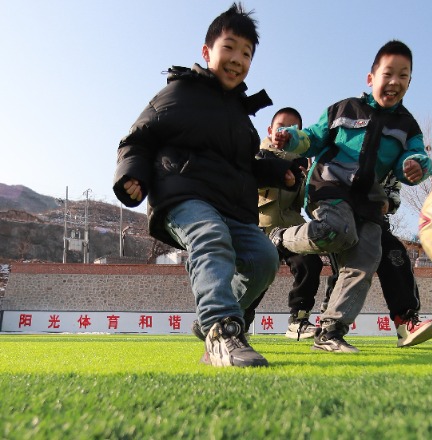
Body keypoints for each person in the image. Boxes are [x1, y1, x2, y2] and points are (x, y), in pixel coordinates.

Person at [112, 3, 300, 368]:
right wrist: (133, 175)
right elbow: (137, 140)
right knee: (210, 235)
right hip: (184, 196)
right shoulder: (179, 93)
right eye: (229, 47)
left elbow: (245, 165)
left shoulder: (241, 115)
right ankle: (221, 329)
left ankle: (213, 320)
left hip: (232, 207)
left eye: (246, 53)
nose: (237, 59)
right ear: (206, 51)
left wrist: (279, 172)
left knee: (264, 259)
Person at [270, 40, 432, 353]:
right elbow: (312, 138)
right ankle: (281, 238)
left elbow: (415, 156)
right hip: (330, 187)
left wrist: (416, 166)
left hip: (368, 200)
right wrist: (290, 138)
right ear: (371, 78)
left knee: (366, 260)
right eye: (388, 74)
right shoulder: (344, 109)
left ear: (410, 82)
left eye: (403, 76)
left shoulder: (407, 126)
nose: (395, 82)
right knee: (339, 231)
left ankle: (330, 332)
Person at [191, 107, 323, 341]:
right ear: (270, 130)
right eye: (281, 127)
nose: (285, 132)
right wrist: (276, 173)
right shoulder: (255, 156)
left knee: (310, 263)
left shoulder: (303, 163)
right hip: (261, 228)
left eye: (292, 129)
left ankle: (299, 320)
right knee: (258, 274)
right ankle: (236, 321)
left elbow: (304, 202)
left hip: (292, 228)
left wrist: (306, 179)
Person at [322, 173, 432, 348]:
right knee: (348, 270)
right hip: (340, 219)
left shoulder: (392, 163)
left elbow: (394, 193)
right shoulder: (341, 157)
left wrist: (388, 203)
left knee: (395, 255)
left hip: (375, 220)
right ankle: (329, 326)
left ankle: (405, 322)